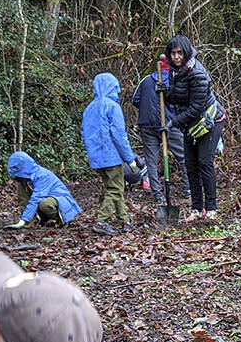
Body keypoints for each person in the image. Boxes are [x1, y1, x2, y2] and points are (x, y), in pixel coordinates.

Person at [161, 34, 226, 222]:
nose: (176, 57)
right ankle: (196, 208)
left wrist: (173, 123)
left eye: (180, 53)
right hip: (190, 124)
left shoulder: (197, 73)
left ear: (186, 52)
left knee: (204, 162)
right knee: (190, 165)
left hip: (209, 120)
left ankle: (211, 208)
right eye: (172, 53)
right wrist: (165, 91)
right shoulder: (175, 71)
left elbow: (196, 108)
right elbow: (177, 98)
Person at [81, 72, 139, 235]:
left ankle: (125, 220)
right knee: (115, 189)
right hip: (111, 156)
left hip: (97, 158)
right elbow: (119, 136)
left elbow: (84, 133)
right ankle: (101, 221)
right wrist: (130, 158)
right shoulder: (112, 107)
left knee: (114, 188)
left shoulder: (89, 108)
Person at [130, 67, 190, 208]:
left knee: (151, 161)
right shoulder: (174, 80)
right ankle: (188, 189)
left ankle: (157, 194)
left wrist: (148, 108)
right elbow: (181, 101)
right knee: (184, 156)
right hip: (169, 124)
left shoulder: (146, 80)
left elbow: (135, 99)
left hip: (149, 125)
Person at [5, 151, 81, 228]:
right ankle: (32, 221)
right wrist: (25, 220)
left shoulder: (42, 175)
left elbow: (36, 198)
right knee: (21, 188)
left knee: (45, 205)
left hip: (61, 200)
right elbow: (23, 200)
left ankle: (62, 220)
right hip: (45, 201)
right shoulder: (24, 180)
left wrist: (23, 220)